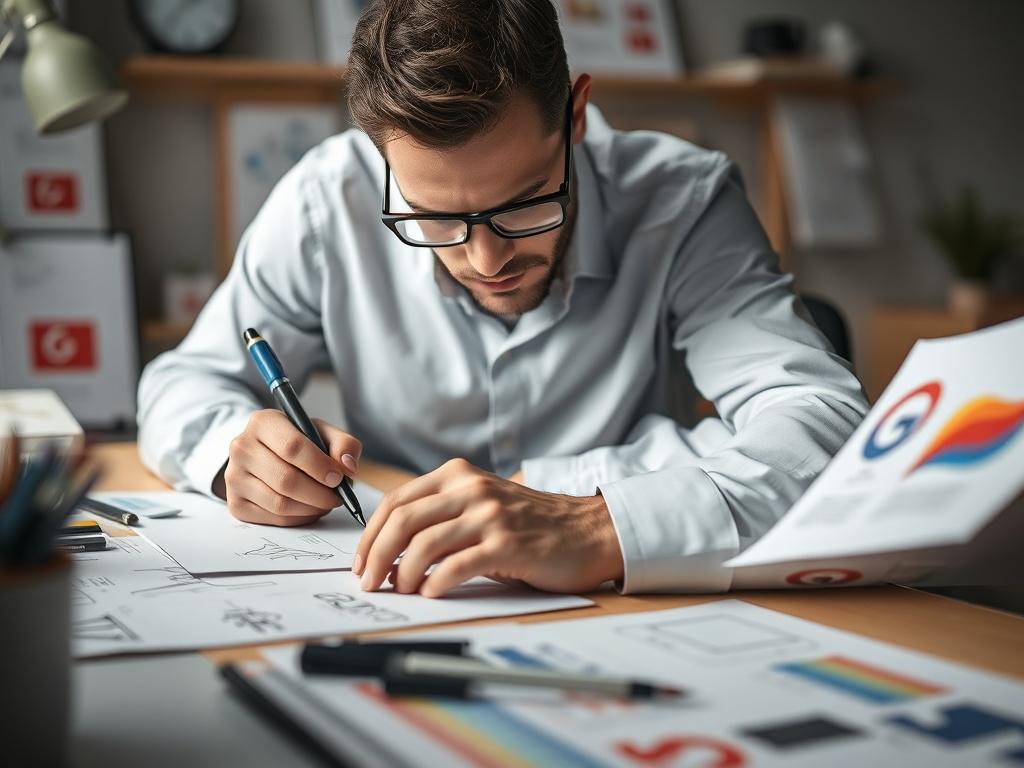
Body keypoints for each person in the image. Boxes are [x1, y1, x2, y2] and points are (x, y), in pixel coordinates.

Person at [137, 0, 868, 598]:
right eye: (433, 218)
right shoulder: (327, 200)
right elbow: (183, 381)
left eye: (524, 204)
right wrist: (238, 460)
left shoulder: (683, 202)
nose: (486, 261)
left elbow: (829, 432)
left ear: (576, 115)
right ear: (380, 154)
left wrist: (587, 520)